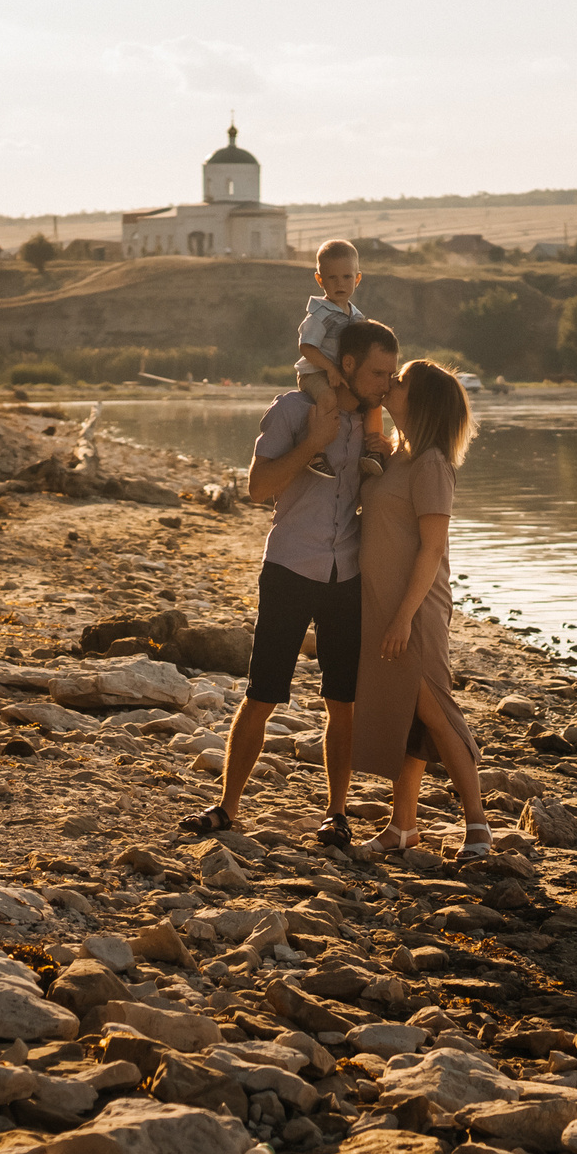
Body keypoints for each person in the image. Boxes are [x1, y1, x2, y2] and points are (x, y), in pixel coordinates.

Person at [181, 318, 401, 837]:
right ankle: (227, 808)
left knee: (341, 701)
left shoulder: (377, 427)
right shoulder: (292, 411)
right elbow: (258, 488)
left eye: (392, 375)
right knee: (262, 693)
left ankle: (338, 814)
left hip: (347, 575)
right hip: (288, 568)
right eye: (377, 374)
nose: (386, 385)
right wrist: (312, 445)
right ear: (346, 365)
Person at [348, 359, 488, 856]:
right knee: (410, 714)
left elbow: (432, 549)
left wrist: (404, 616)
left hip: (417, 606)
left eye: (401, 381)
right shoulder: (400, 456)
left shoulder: (430, 463)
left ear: (422, 401)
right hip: (384, 602)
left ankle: (478, 826)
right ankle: (402, 827)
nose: (391, 384)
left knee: (434, 708)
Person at [295, 239, 385, 480]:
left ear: (357, 279)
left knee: (372, 402)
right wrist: (330, 369)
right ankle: (316, 452)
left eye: (346, 277)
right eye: (332, 278)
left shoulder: (357, 317)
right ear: (320, 279)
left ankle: (374, 451)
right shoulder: (319, 314)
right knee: (327, 398)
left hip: (340, 372)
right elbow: (307, 347)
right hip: (315, 372)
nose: (340, 284)